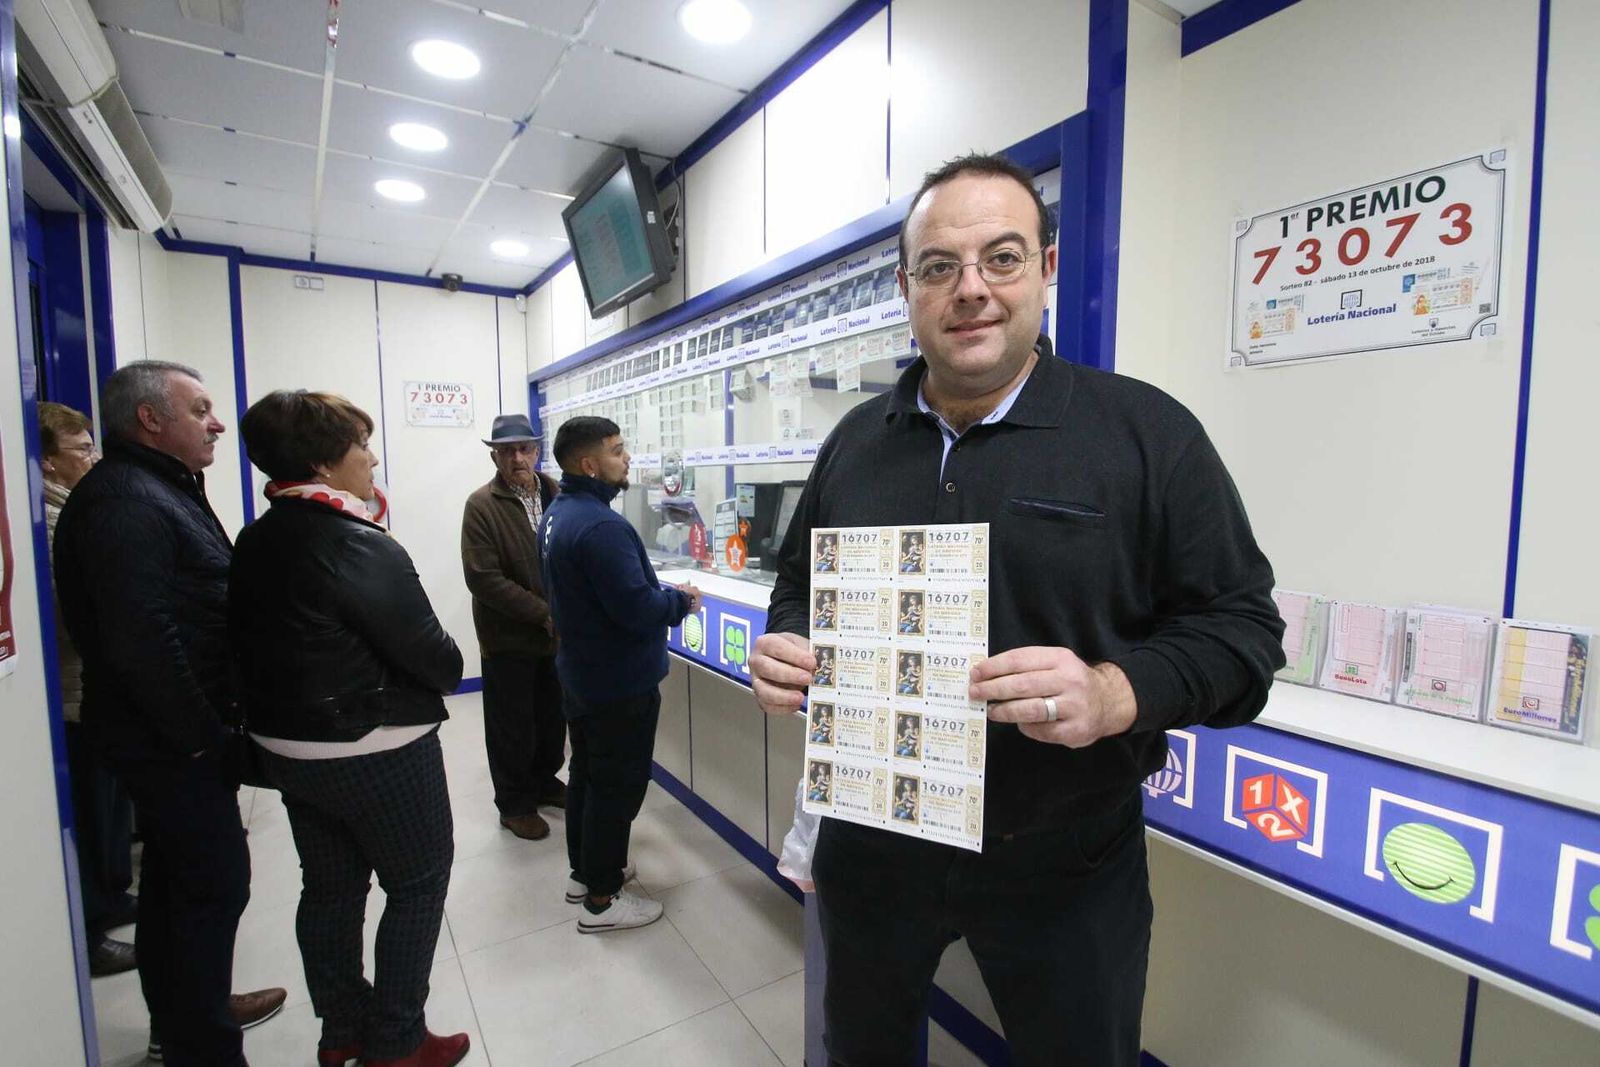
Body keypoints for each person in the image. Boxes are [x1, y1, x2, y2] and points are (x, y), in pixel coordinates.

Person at [749, 154, 1285, 1066]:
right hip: (875, 840)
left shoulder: (1146, 434)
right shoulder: (854, 443)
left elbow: (1243, 634)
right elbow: (798, 583)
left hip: (1065, 857)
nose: (971, 291)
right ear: (905, 288)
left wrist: (1117, 692)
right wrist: (788, 643)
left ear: (1046, 267)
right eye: (938, 267)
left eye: (1001, 258)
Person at [53, 361, 287, 1067]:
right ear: (150, 420)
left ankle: (189, 1014)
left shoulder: (153, 489)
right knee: (213, 884)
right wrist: (203, 739)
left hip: (163, 736)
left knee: (174, 886)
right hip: (168, 742)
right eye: (202, 408)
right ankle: (202, 1046)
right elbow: (141, 640)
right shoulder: (127, 501)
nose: (218, 422)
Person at [230, 390, 468, 1067]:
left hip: (289, 752)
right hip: (374, 747)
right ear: (323, 462)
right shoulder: (356, 542)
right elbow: (440, 660)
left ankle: (342, 1030)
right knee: (417, 882)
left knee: (330, 888)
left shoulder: (259, 534)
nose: (371, 458)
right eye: (360, 446)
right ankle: (397, 1039)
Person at [538, 416, 700, 933]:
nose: (627, 457)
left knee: (587, 774)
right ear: (588, 464)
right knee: (617, 786)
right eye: (617, 450)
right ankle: (603, 900)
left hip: (583, 675)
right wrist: (681, 602)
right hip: (617, 683)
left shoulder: (559, 512)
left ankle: (585, 874)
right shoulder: (603, 525)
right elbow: (636, 607)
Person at [38, 402, 138, 976]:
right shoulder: (52, 525)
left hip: (94, 686)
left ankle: (108, 895)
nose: (93, 458)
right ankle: (92, 928)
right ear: (49, 462)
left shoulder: (75, 511)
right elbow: (73, 617)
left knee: (108, 807)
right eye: (81, 449)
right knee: (89, 810)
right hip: (76, 690)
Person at [461, 414, 565, 842]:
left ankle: (544, 781)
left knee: (551, 716)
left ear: (538, 451)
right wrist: (543, 612)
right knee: (512, 725)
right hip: (508, 638)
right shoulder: (482, 504)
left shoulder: (557, 492)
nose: (518, 457)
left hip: (555, 637)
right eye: (507, 450)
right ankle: (515, 804)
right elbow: (483, 578)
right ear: (495, 456)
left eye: (525, 448)